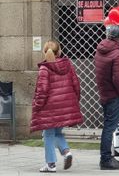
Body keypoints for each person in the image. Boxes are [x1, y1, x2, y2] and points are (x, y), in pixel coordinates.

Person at [30, 40, 83, 173]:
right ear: (59, 51)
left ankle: (51, 164)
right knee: (57, 133)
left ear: (44, 51)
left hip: (49, 107)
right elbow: (76, 85)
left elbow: (42, 90)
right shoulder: (68, 64)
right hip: (65, 105)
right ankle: (66, 152)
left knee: (48, 135)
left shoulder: (45, 68)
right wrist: (74, 101)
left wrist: (37, 106)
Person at [94, 25, 119, 170]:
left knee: (108, 126)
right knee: (109, 128)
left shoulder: (100, 49)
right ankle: (106, 159)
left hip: (105, 92)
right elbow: (118, 78)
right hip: (114, 95)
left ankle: (108, 157)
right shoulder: (116, 53)